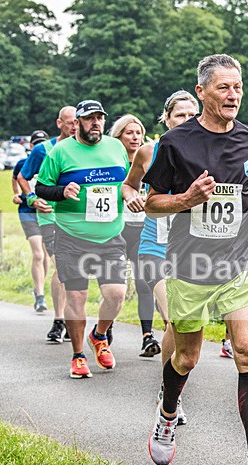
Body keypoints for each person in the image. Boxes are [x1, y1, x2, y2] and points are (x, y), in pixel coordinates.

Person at [143, 54, 248, 465]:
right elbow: (151, 201)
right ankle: (168, 412)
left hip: (238, 262)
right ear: (203, 91)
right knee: (186, 357)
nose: (233, 95)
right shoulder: (176, 143)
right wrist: (186, 199)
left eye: (238, 87)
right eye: (224, 88)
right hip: (190, 266)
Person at [35, 99, 129, 379]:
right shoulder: (61, 152)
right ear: (76, 123)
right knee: (76, 296)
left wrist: (132, 195)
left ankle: (99, 335)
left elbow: (125, 183)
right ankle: (78, 355)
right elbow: (41, 187)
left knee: (116, 294)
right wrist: (61, 192)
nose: (95, 123)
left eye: (99, 118)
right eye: (89, 118)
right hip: (72, 236)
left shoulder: (116, 147)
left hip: (110, 234)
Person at [122, 89, 200, 424]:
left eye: (191, 115)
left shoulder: (206, 152)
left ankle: (168, 390)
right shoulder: (149, 151)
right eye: (179, 115)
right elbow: (129, 185)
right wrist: (132, 198)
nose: (185, 121)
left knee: (181, 327)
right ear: (166, 119)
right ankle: (171, 397)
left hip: (190, 250)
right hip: (154, 247)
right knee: (172, 319)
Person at [17, 106, 76, 343]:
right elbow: (23, 176)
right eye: (70, 122)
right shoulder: (43, 150)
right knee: (60, 265)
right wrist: (32, 198)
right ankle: (59, 320)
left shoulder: (83, 150)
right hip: (49, 217)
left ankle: (73, 318)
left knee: (73, 269)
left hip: (76, 217)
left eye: (77, 122)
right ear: (59, 123)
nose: (74, 126)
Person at [111, 114, 159, 357]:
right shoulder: (111, 160)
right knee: (114, 285)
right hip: (116, 228)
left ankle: (147, 336)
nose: (135, 137)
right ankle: (105, 326)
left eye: (138, 132)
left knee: (143, 283)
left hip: (142, 228)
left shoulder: (150, 159)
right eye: (129, 133)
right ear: (118, 136)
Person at [12, 130, 49, 313]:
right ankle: (40, 294)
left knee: (46, 254)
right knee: (38, 254)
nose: (39, 146)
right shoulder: (22, 163)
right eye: (36, 143)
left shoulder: (50, 159)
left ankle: (39, 286)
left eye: (43, 142)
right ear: (31, 146)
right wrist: (16, 194)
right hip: (28, 212)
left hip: (47, 212)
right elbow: (16, 178)